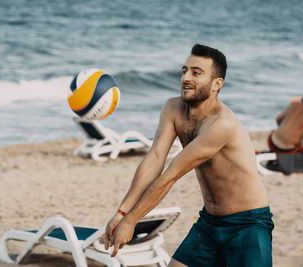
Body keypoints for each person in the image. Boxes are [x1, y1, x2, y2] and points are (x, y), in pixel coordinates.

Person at [104, 44, 274, 266]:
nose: (186, 77)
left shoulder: (222, 124)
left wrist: (131, 221)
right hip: (210, 223)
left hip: (248, 224)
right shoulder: (173, 108)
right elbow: (155, 159)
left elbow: (170, 176)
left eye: (196, 73)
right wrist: (122, 212)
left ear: (217, 84)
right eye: (184, 70)